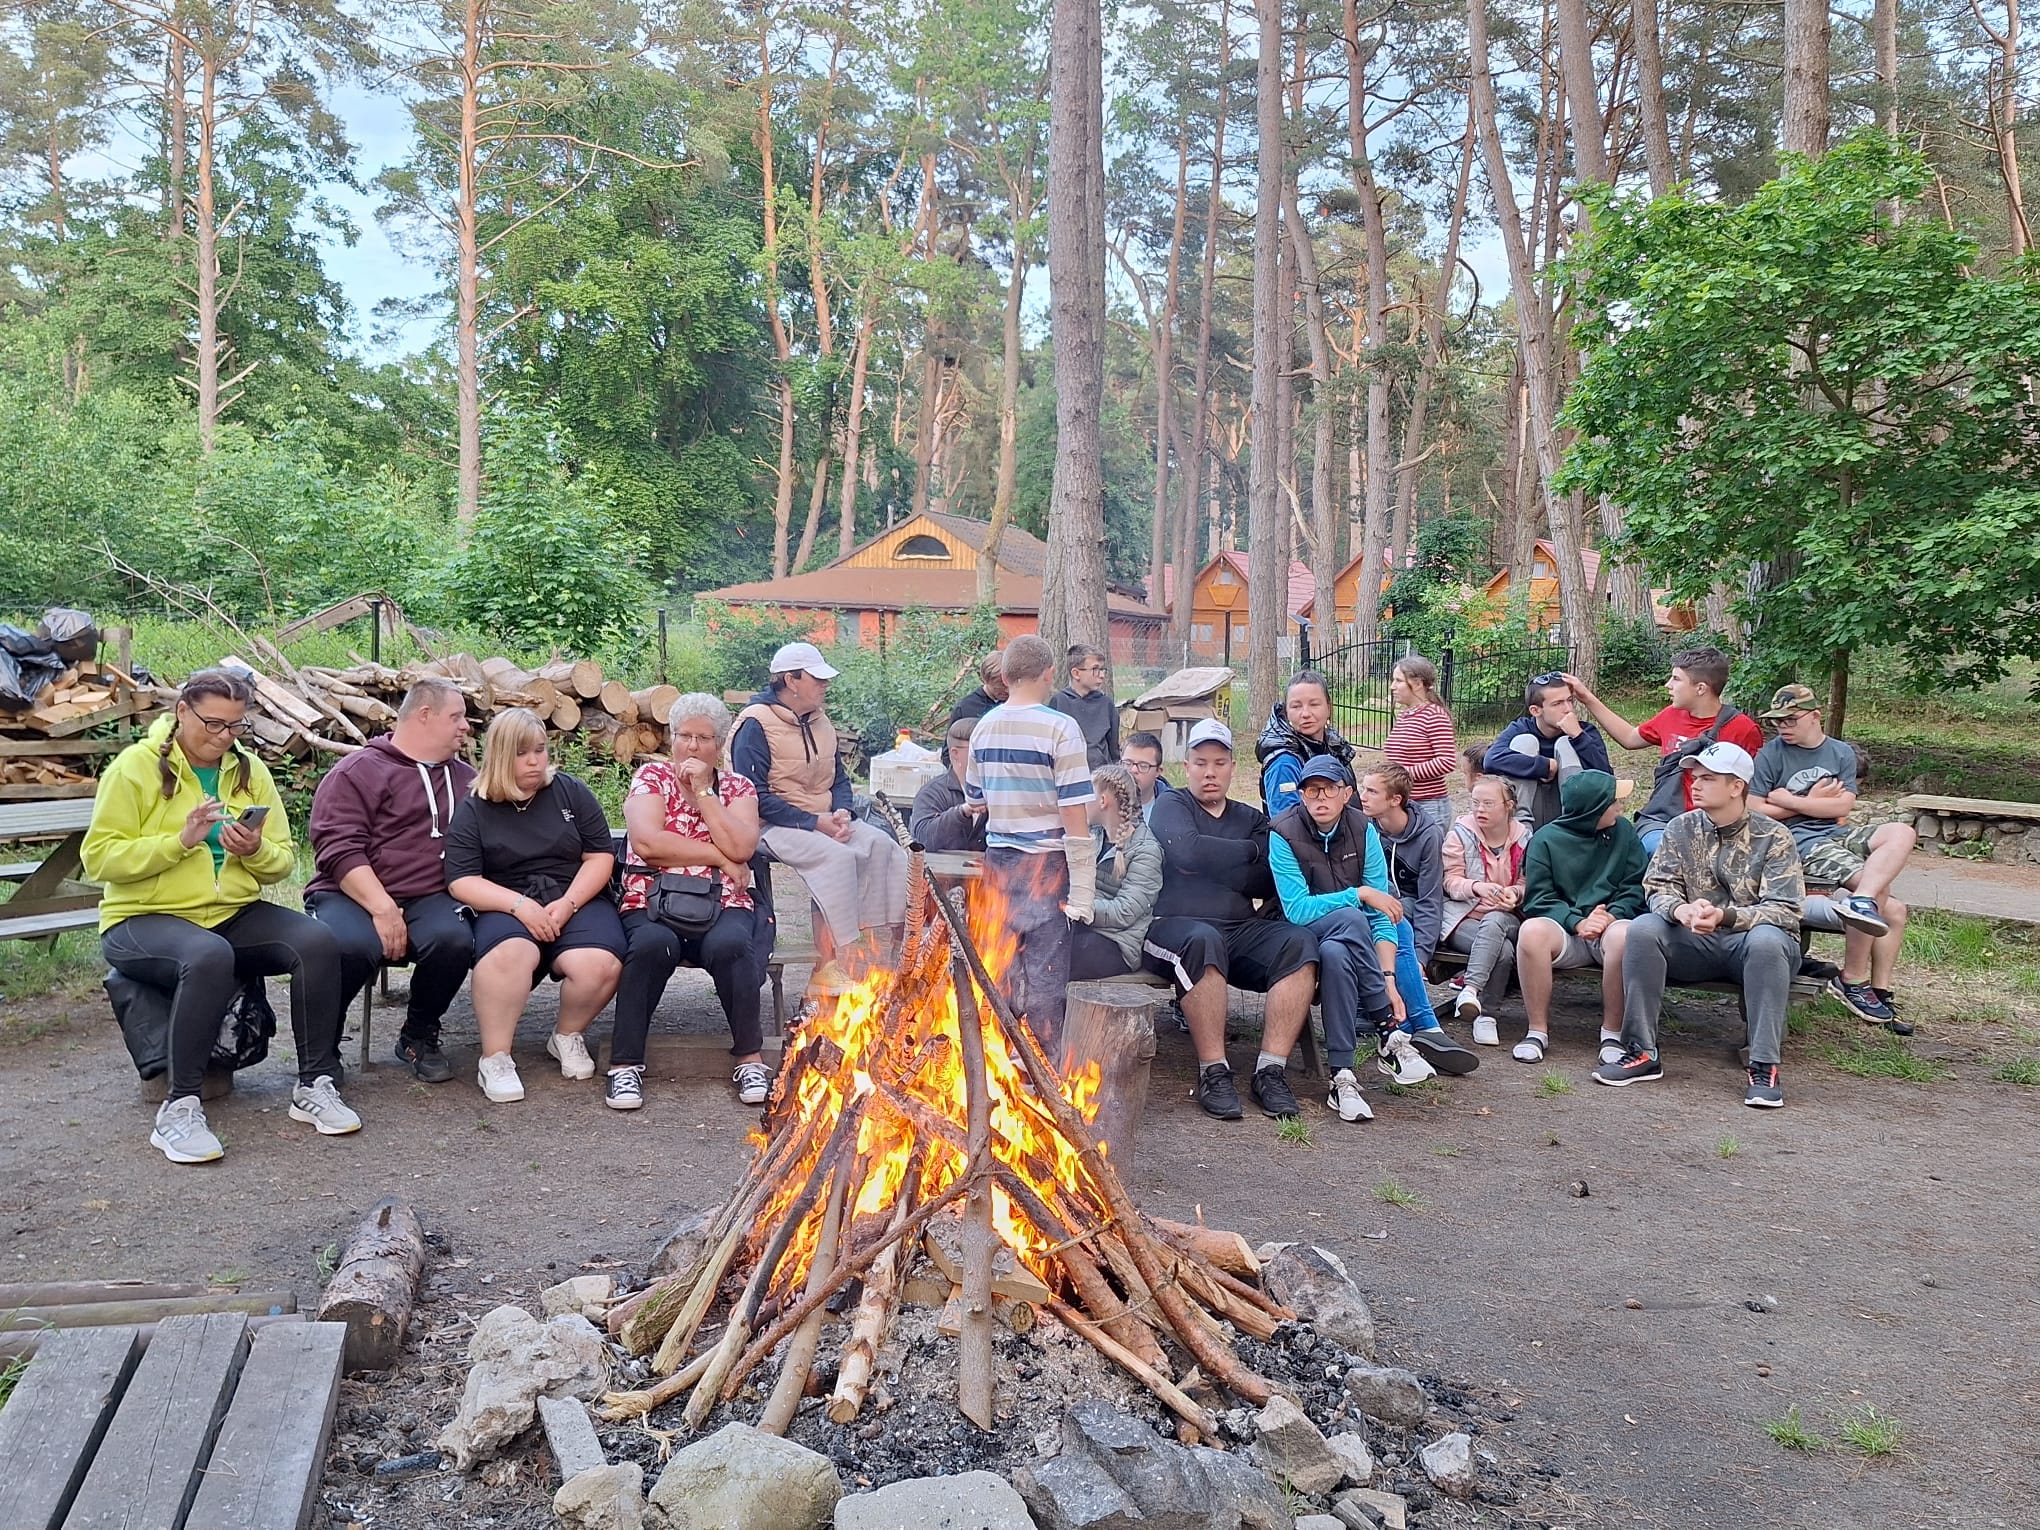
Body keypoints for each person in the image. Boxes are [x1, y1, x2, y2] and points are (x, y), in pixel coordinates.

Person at [82, 669, 359, 1164]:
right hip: (141, 917)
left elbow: (282, 861)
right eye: (213, 723)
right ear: (181, 711)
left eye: (235, 726)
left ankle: (314, 1083)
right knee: (209, 954)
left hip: (229, 911)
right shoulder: (134, 768)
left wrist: (253, 850)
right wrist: (179, 842)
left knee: (316, 940)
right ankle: (179, 1109)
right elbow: (99, 859)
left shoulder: (250, 770)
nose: (224, 736)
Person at [1595, 742, 1804, 1108]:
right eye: (1695, 776)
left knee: (1768, 941)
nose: (1695, 784)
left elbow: (1786, 909)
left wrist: (1727, 917)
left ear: (1736, 786)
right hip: (1693, 941)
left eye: (1708, 778)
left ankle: (1763, 1065)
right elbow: (1657, 887)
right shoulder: (1680, 828)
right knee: (1643, 928)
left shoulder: (1773, 836)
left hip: (1750, 946)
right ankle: (1642, 1051)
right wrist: (1681, 911)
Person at [1142, 720, 1320, 1121]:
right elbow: (1186, 852)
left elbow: (1265, 878)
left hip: (1240, 928)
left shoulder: (1250, 818)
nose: (1210, 772)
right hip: (1173, 926)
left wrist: (1213, 860)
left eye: (1219, 763)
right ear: (1186, 767)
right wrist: (1246, 853)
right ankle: (1214, 1071)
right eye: (1201, 763)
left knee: (1299, 943)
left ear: (1232, 767)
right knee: (1203, 940)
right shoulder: (1172, 805)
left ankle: (1270, 1071)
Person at [445, 709, 626, 1103]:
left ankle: (566, 1034)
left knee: (600, 962)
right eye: (522, 753)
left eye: (540, 750)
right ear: (499, 755)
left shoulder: (570, 791)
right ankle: (495, 1057)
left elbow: (600, 856)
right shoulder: (474, 807)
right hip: (503, 898)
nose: (534, 762)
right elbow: (461, 880)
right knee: (509, 954)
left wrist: (569, 903)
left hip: (573, 892)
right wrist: (518, 905)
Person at [305, 677, 477, 1084]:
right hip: (350, 893)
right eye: (456, 717)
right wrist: (382, 908)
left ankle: (418, 1034)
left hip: (430, 896)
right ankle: (322, 1049)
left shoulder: (466, 779)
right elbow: (337, 848)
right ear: (424, 715)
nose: (466, 726)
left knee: (453, 940)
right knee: (347, 945)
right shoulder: (358, 772)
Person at [612, 694, 772, 1111]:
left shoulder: (738, 787)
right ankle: (624, 1064)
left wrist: (704, 791)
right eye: (685, 736)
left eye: (704, 738)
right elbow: (648, 843)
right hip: (653, 896)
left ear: (719, 744)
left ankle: (750, 1059)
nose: (693, 747)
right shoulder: (652, 778)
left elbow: (743, 845)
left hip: (724, 900)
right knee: (651, 945)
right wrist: (719, 857)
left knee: (732, 945)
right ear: (672, 739)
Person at [730, 641, 908, 989]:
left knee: (884, 845)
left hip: (823, 818)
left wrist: (841, 810)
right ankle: (827, 965)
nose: (825, 684)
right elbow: (752, 796)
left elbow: (838, 778)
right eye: (817, 678)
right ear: (791, 680)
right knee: (836, 858)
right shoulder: (754, 725)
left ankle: (892, 950)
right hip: (770, 824)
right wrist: (815, 823)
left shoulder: (820, 720)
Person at [1268, 756, 1435, 1121]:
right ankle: (1388, 1031)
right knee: (1350, 916)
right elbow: (1296, 910)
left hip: (1343, 942)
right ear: (1301, 796)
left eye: (1329, 789)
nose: (1320, 798)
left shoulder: (1363, 829)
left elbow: (1382, 915)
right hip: (1296, 937)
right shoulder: (1282, 832)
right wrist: (1358, 894)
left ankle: (1341, 1077)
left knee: (1337, 954)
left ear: (1346, 794)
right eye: (1312, 790)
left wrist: (1388, 979)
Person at [1750, 684, 1916, 1029]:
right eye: (1777, 721)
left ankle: (1879, 991)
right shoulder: (1770, 754)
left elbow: (1842, 807)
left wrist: (1790, 799)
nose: (1783, 727)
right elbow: (1754, 811)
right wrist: (1812, 802)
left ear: (1815, 716)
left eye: (1791, 719)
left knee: (1901, 833)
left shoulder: (1840, 752)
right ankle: (1853, 979)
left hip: (1835, 833)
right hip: (1795, 840)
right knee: (1884, 897)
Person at [964, 635, 1096, 1047]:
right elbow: (1074, 812)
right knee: (1045, 979)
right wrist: (1084, 890)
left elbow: (975, 799)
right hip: (1046, 866)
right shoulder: (1061, 728)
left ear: (1004, 677)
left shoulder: (983, 728)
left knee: (999, 970)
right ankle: (1045, 1067)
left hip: (999, 863)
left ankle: (997, 1059)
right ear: (1050, 674)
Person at [1563, 647, 1763, 852]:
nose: (1668, 685)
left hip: (1716, 824)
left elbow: (1752, 789)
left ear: (1701, 688)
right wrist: (1587, 698)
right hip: (1663, 819)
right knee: (1660, 851)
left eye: (1676, 679)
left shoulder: (1743, 729)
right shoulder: (1671, 715)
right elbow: (1630, 738)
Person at [1514, 770, 1647, 1064]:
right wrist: (1578, 921)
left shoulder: (1624, 832)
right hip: (1565, 930)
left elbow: (1635, 886)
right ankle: (1537, 1031)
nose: (1620, 807)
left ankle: (1612, 1033)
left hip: (1609, 927)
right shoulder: (1545, 840)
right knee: (1531, 931)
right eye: (1614, 802)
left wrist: (1611, 915)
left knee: (1625, 936)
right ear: (1593, 809)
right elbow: (1539, 898)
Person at [1359, 763, 1477, 1074]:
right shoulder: (1363, 827)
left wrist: (1422, 955)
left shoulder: (1428, 835)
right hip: (1370, 908)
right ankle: (1425, 1028)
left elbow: (1429, 899)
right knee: (1394, 920)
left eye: (1371, 791)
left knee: (1401, 920)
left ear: (1395, 799)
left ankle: (1409, 1031)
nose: (1362, 796)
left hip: (1408, 912)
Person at [1441, 774, 1532, 1047]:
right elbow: (1450, 882)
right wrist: (1477, 887)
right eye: (1475, 802)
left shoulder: (1526, 838)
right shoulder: (1459, 835)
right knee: (1502, 951)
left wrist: (1515, 894)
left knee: (1496, 920)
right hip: (1465, 918)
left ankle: (1470, 989)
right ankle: (1487, 1016)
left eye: (1488, 803)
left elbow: (1529, 882)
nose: (1479, 809)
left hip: (1509, 917)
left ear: (1509, 806)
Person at [1482, 674, 1613, 830]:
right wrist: (1545, 766)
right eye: (1558, 703)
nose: (1568, 709)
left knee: (1566, 744)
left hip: (1572, 814)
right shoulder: (1520, 728)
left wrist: (1578, 737)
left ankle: (1573, 830)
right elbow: (1491, 760)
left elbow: (1606, 777)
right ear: (1536, 710)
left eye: (1569, 700)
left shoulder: (1585, 731)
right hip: (1531, 807)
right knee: (1524, 742)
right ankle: (1521, 832)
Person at [1069, 763, 1163, 981]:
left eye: (1086, 796)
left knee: (1060, 955)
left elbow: (1125, 912)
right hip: (1084, 928)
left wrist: (1079, 907)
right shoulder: (1092, 835)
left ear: (1102, 800)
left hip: (1118, 943)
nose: (1081, 803)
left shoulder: (1146, 850)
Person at [1256, 669, 1356, 816]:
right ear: (1286, 712)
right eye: (1296, 706)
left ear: (1329, 708)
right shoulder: (1284, 763)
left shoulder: (1335, 747)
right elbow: (1286, 822)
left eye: (1314, 704)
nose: (1305, 714)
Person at [1382, 655, 1458, 831]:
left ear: (1417, 684)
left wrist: (1403, 774)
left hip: (1428, 806)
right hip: (1405, 803)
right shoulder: (1405, 715)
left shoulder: (1435, 715)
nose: (1392, 686)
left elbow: (1446, 761)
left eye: (1398, 681)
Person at [911, 715, 988, 852]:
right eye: (977, 749)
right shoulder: (932, 793)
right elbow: (923, 839)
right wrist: (962, 812)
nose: (986, 755)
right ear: (955, 753)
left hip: (990, 866)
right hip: (940, 866)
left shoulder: (1000, 790)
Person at [1051, 643, 1119, 768]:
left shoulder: (1106, 704)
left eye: (1102, 670)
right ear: (1076, 673)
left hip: (1100, 772)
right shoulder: (1059, 702)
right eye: (1095, 669)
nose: (1102, 675)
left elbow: (1114, 751)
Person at [950, 650, 1009, 726]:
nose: (1007, 690)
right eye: (1001, 685)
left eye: (1010, 684)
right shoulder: (964, 708)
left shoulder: (1016, 704)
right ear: (986, 679)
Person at [1121, 731, 1165, 820]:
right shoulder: (1103, 801)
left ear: (1158, 771)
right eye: (1128, 763)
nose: (1133, 770)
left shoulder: (1172, 806)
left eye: (1143, 766)